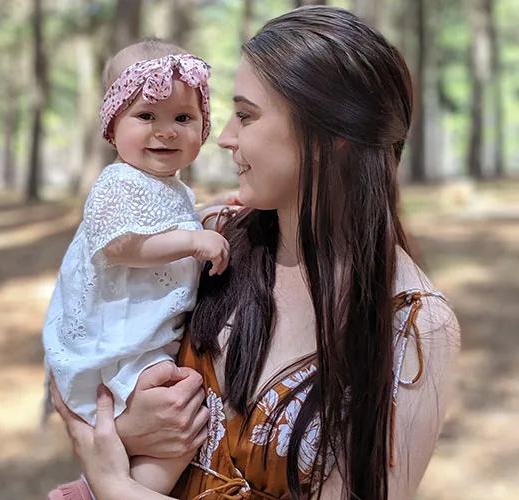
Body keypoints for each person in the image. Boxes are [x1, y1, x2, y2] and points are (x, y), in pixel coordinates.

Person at [50, 6, 461, 500]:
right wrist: (125, 428)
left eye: (245, 115)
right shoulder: (211, 238)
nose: (223, 137)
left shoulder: (413, 330)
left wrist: (116, 485)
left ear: (330, 139)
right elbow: (81, 330)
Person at [43, 39, 231, 499]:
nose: (165, 131)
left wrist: (208, 213)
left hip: (140, 333)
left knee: (172, 427)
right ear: (112, 127)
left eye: (182, 119)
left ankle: (108, 486)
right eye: (146, 116)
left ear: (202, 128)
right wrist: (193, 240)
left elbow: (164, 221)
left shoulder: (165, 185)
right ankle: (101, 491)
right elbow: (121, 244)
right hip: (118, 339)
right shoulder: (117, 182)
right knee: (174, 427)